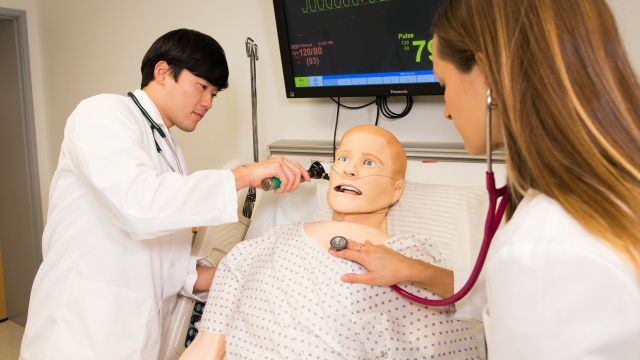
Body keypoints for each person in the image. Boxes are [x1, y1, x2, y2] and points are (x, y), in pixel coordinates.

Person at [331, 0, 640, 358]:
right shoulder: (597, 201)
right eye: (343, 159)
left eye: (444, 83)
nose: (446, 109)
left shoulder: (542, 248)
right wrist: (415, 271)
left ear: (488, 74)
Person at [19, 28, 310, 359]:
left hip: (135, 331)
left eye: (214, 94)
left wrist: (229, 274)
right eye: (202, 87)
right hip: (83, 328)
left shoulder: (167, 148)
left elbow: (159, 257)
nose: (208, 103)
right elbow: (139, 207)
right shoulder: (102, 114)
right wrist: (245, 175)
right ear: (162, 72)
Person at [180, 124, 486, 359]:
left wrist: (411, 269)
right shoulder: (267, 242)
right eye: (342, 158)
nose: (349, 169)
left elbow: (448, 341)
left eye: (369, 163)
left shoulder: (409, 254)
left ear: (396, 190)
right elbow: (207, 347)